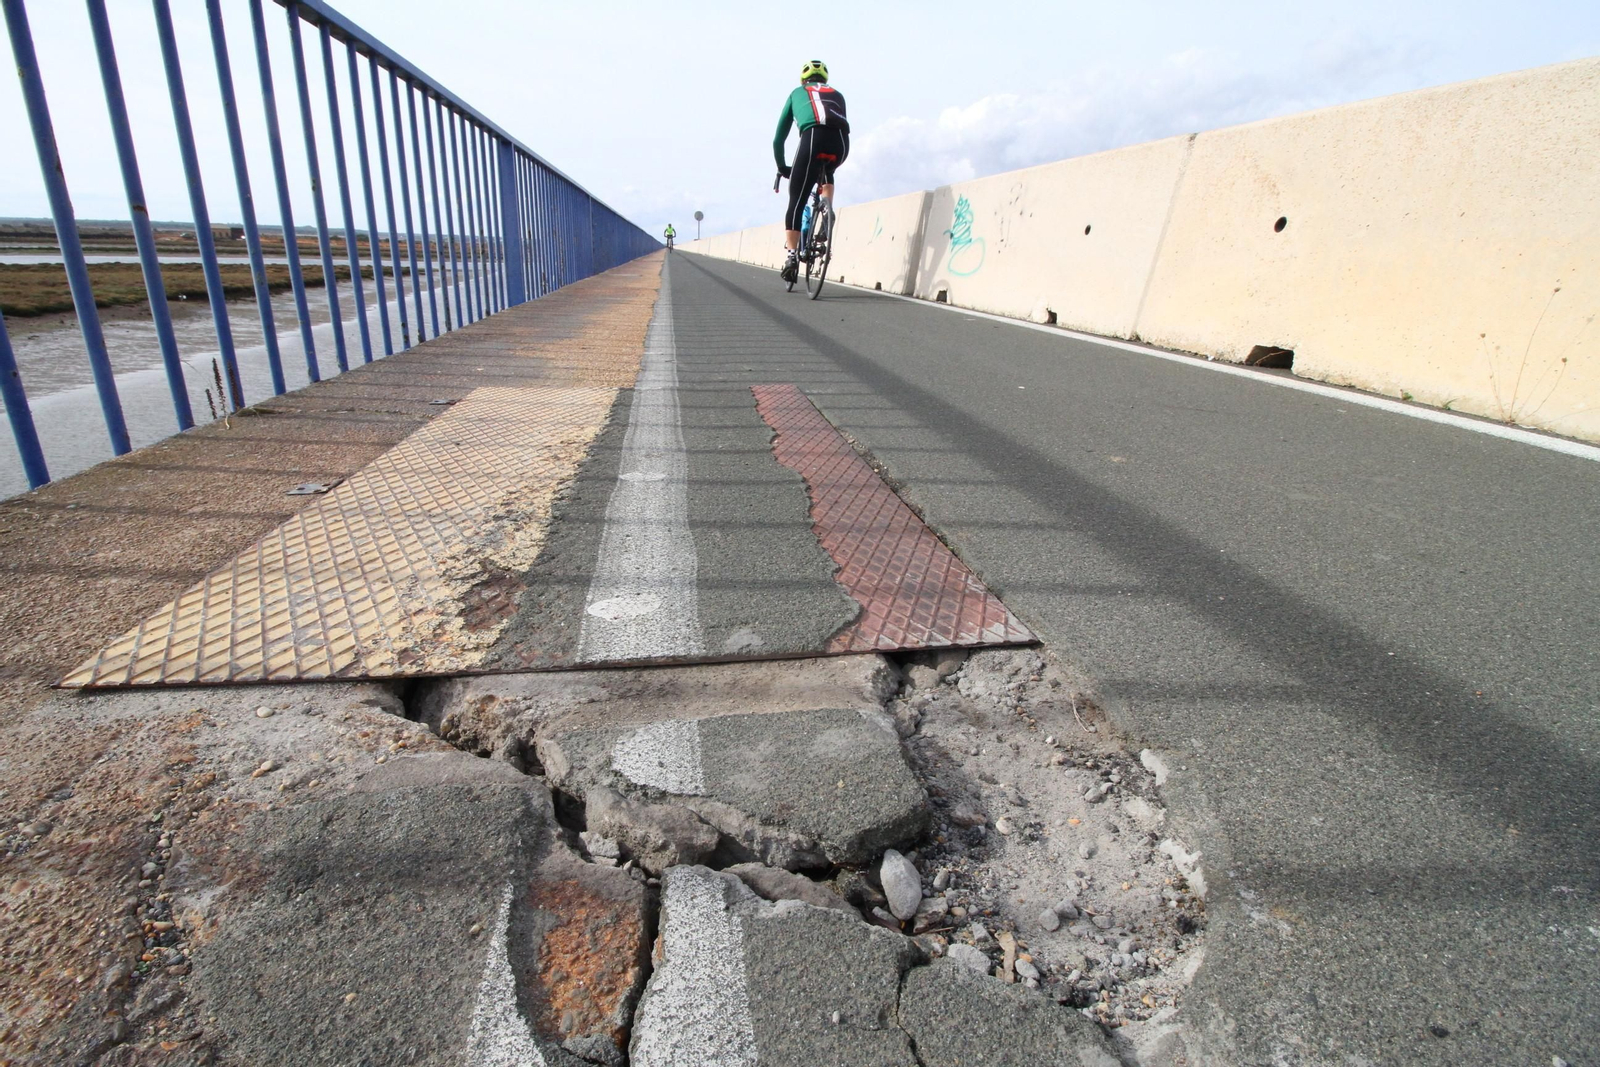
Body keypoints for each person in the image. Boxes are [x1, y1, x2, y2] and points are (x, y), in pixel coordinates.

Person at [773, 60, 849, 284]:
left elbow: (779, 138)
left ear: (803, 80)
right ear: (824, 80)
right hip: (841, 143)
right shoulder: (838, 94)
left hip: (813, 137)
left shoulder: (797, 93)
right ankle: (827, 208)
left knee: (796, 200)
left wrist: (781, 166)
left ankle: (791, 257)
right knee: (828, 168)